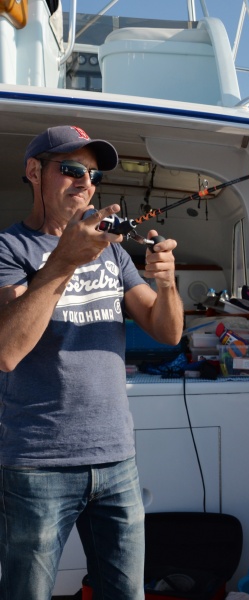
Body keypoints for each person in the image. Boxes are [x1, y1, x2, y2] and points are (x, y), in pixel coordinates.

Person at [0, 125, 184, 599]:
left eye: (93, 175)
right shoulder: (9, 250)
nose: (86, 183)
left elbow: (167, 332)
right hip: (37, 464)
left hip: (116, 459)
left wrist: (166, 282)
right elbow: (7, 350)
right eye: (72, 170)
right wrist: (64, 261)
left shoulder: (114, 252)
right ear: (34, 172)